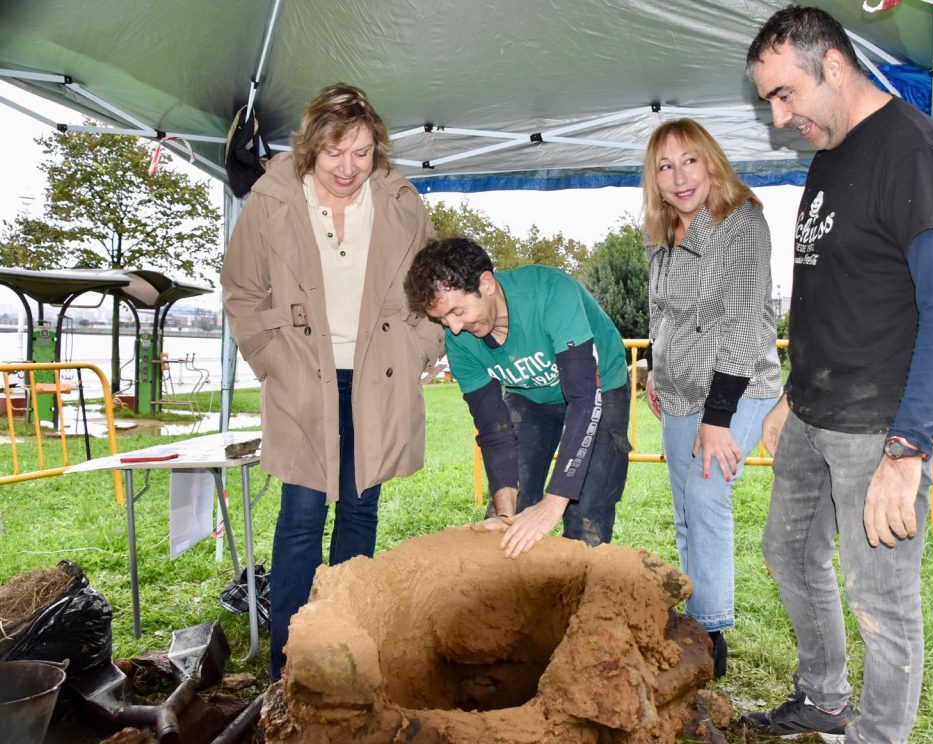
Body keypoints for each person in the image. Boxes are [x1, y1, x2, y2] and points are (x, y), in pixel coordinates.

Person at [743, 7, 933, 742]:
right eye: (769, 104)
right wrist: (791, 394)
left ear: (834, 69)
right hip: (814, 413)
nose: (780, 119)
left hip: (879, 427)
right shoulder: (832, 150)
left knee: (880, 600)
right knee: (786, 551)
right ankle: (822, 698)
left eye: (785, 96)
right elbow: (834, 289)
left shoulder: (914, 152)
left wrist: (907, 451)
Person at [221, 83, 443, 681]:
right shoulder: (271, 200)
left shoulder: (400, 201)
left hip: (379, 379)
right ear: (311, 148)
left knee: (359, 511)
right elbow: (241, 292)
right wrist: (271, 359)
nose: (348, 168)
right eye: (334, 153)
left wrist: (421, 346)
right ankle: (290, 667)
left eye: (363, 153)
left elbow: (432, 284)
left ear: (378, 151)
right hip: (302, 380)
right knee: (300, 516)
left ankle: (343, 654)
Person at [641, 118, 781, 680]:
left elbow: (747, 326)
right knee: (684, 507)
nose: (679, 177)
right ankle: (695, 613)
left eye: (689, 160)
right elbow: (660, 312)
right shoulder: (659, 231)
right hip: (677, 390)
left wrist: (717, 420)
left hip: (737, 386)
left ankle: (712, 633)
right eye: (665, 166)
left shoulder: (742, 222)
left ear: (711, 162)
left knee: (705, 492)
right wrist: (654, 367)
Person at [404, 237, 631, 559]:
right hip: (530, 398)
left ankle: (579, 598)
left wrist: (555, 501)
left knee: (585, 514)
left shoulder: (551, 292)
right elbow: (493, 429)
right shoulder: (460, 341)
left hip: (599, 388)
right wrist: (506, 512)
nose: (453, 328)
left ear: (486, 283)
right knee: (505, 517)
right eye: (443, 319)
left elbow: (584, 399)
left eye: (458, 311)